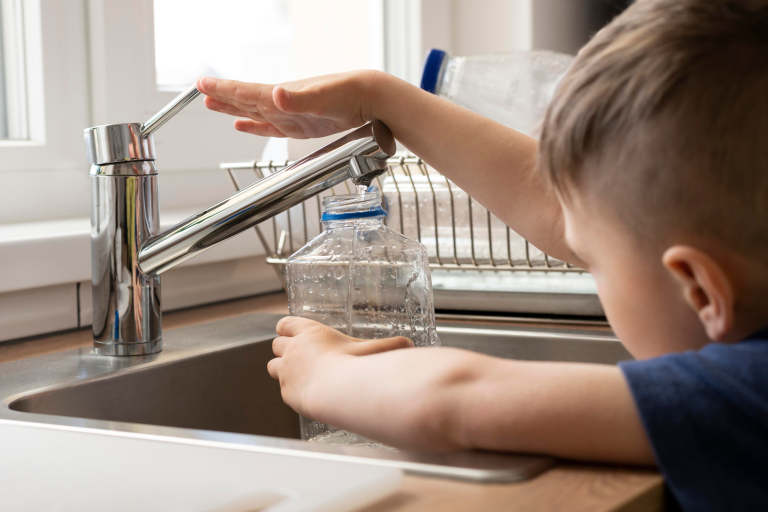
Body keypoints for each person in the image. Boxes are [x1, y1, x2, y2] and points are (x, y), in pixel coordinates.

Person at [196, 0, 768, 509]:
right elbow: (559, 209)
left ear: (700, 289)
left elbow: (457, 401)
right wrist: (381, 97)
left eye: (588, 260)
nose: (574, 249)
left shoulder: (742, 395)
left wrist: (324, 375)